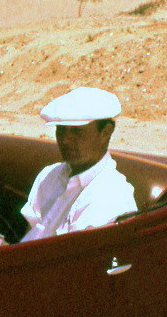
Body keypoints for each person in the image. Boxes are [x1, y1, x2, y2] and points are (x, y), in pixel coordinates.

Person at [21, 87, 137, 240]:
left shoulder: (113, 196)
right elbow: (30, 232)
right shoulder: (48, 176)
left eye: (77, 131)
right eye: (61, 130)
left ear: (105, 132)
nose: (65, 140)